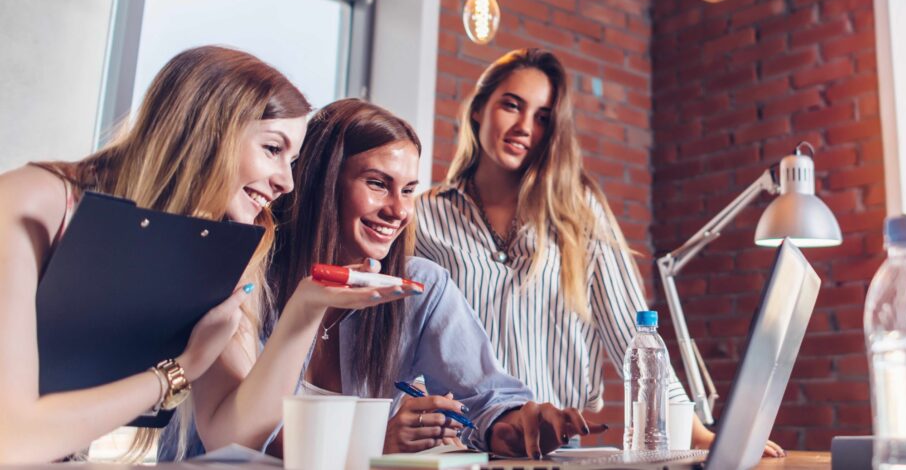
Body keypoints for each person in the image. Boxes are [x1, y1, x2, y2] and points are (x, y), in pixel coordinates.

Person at [416, 48, 785, 457]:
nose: (524, 127)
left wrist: (697, 434)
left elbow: (634, 330)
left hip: (556, 453)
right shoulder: (423, 218)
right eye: (511, 105)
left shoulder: (579, 212)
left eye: (543, 117)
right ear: (478, 109)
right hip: (456, 451)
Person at [185, 98, 600, 459]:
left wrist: (516, 424)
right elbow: (240, 441)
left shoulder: (420, 288)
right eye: (378, 184)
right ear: (321, 184)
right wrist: (372, 444)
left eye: (408, 191)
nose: (398, 210)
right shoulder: (247, 279)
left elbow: (486, 399)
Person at [0, 46, 310, 463]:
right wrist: (181, 368)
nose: (287, 182)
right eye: (273, 149)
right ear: (206, 129)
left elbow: (230, 435)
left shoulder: (206, 249)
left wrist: (309, 308)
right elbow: (12, 439)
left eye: (293, 160)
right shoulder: (31, 202)